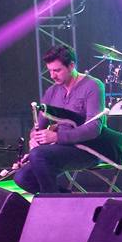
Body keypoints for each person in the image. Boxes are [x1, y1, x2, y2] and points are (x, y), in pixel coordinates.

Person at [14, 45, 108, 194]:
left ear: (71, 66)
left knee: (39, 155)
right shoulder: (52, 91)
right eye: (50, 70)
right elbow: (37, 126)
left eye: (57, 70)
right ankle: (68, 200)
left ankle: (51, 206)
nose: (52, 76)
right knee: (22, 178)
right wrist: (35, 138)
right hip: (61, 149)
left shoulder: (93, 85)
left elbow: (94, 128)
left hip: (88, 149)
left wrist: (57, 136)